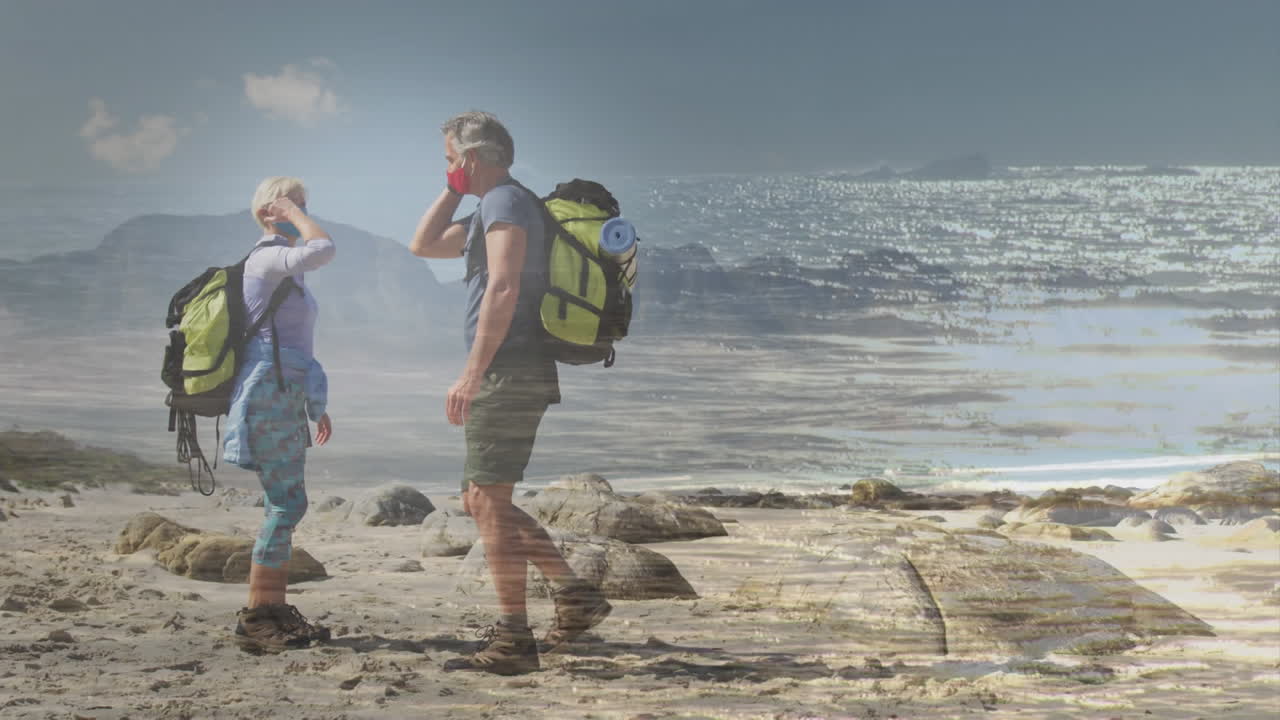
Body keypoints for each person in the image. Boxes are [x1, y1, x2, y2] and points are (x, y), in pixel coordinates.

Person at [409, 111, 611, 675]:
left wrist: (473, 372)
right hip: (511, 366)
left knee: (489, 503)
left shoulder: (505, 203)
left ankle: (514, 640)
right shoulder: (490, 208)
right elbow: (423, 245)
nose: (447, 168)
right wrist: (451, 189)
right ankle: (575, 595)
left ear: (472, 157)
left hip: (508, 366)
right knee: (480, 500)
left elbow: (502, 284)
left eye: (451, 159)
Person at [222, 176, 336, 653]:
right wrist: (294, 215)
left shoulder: (286, 270)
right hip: (268, 392)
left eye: (304, 203)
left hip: (285, 392)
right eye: (291, 204)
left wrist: (316, 404)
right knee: (286, 504)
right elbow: (324, 246)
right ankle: (256, 616)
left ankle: (272, 610)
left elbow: (296, 347)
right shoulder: (268, 258)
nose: (299, 210)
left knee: (285, 503)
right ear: (269, 212)